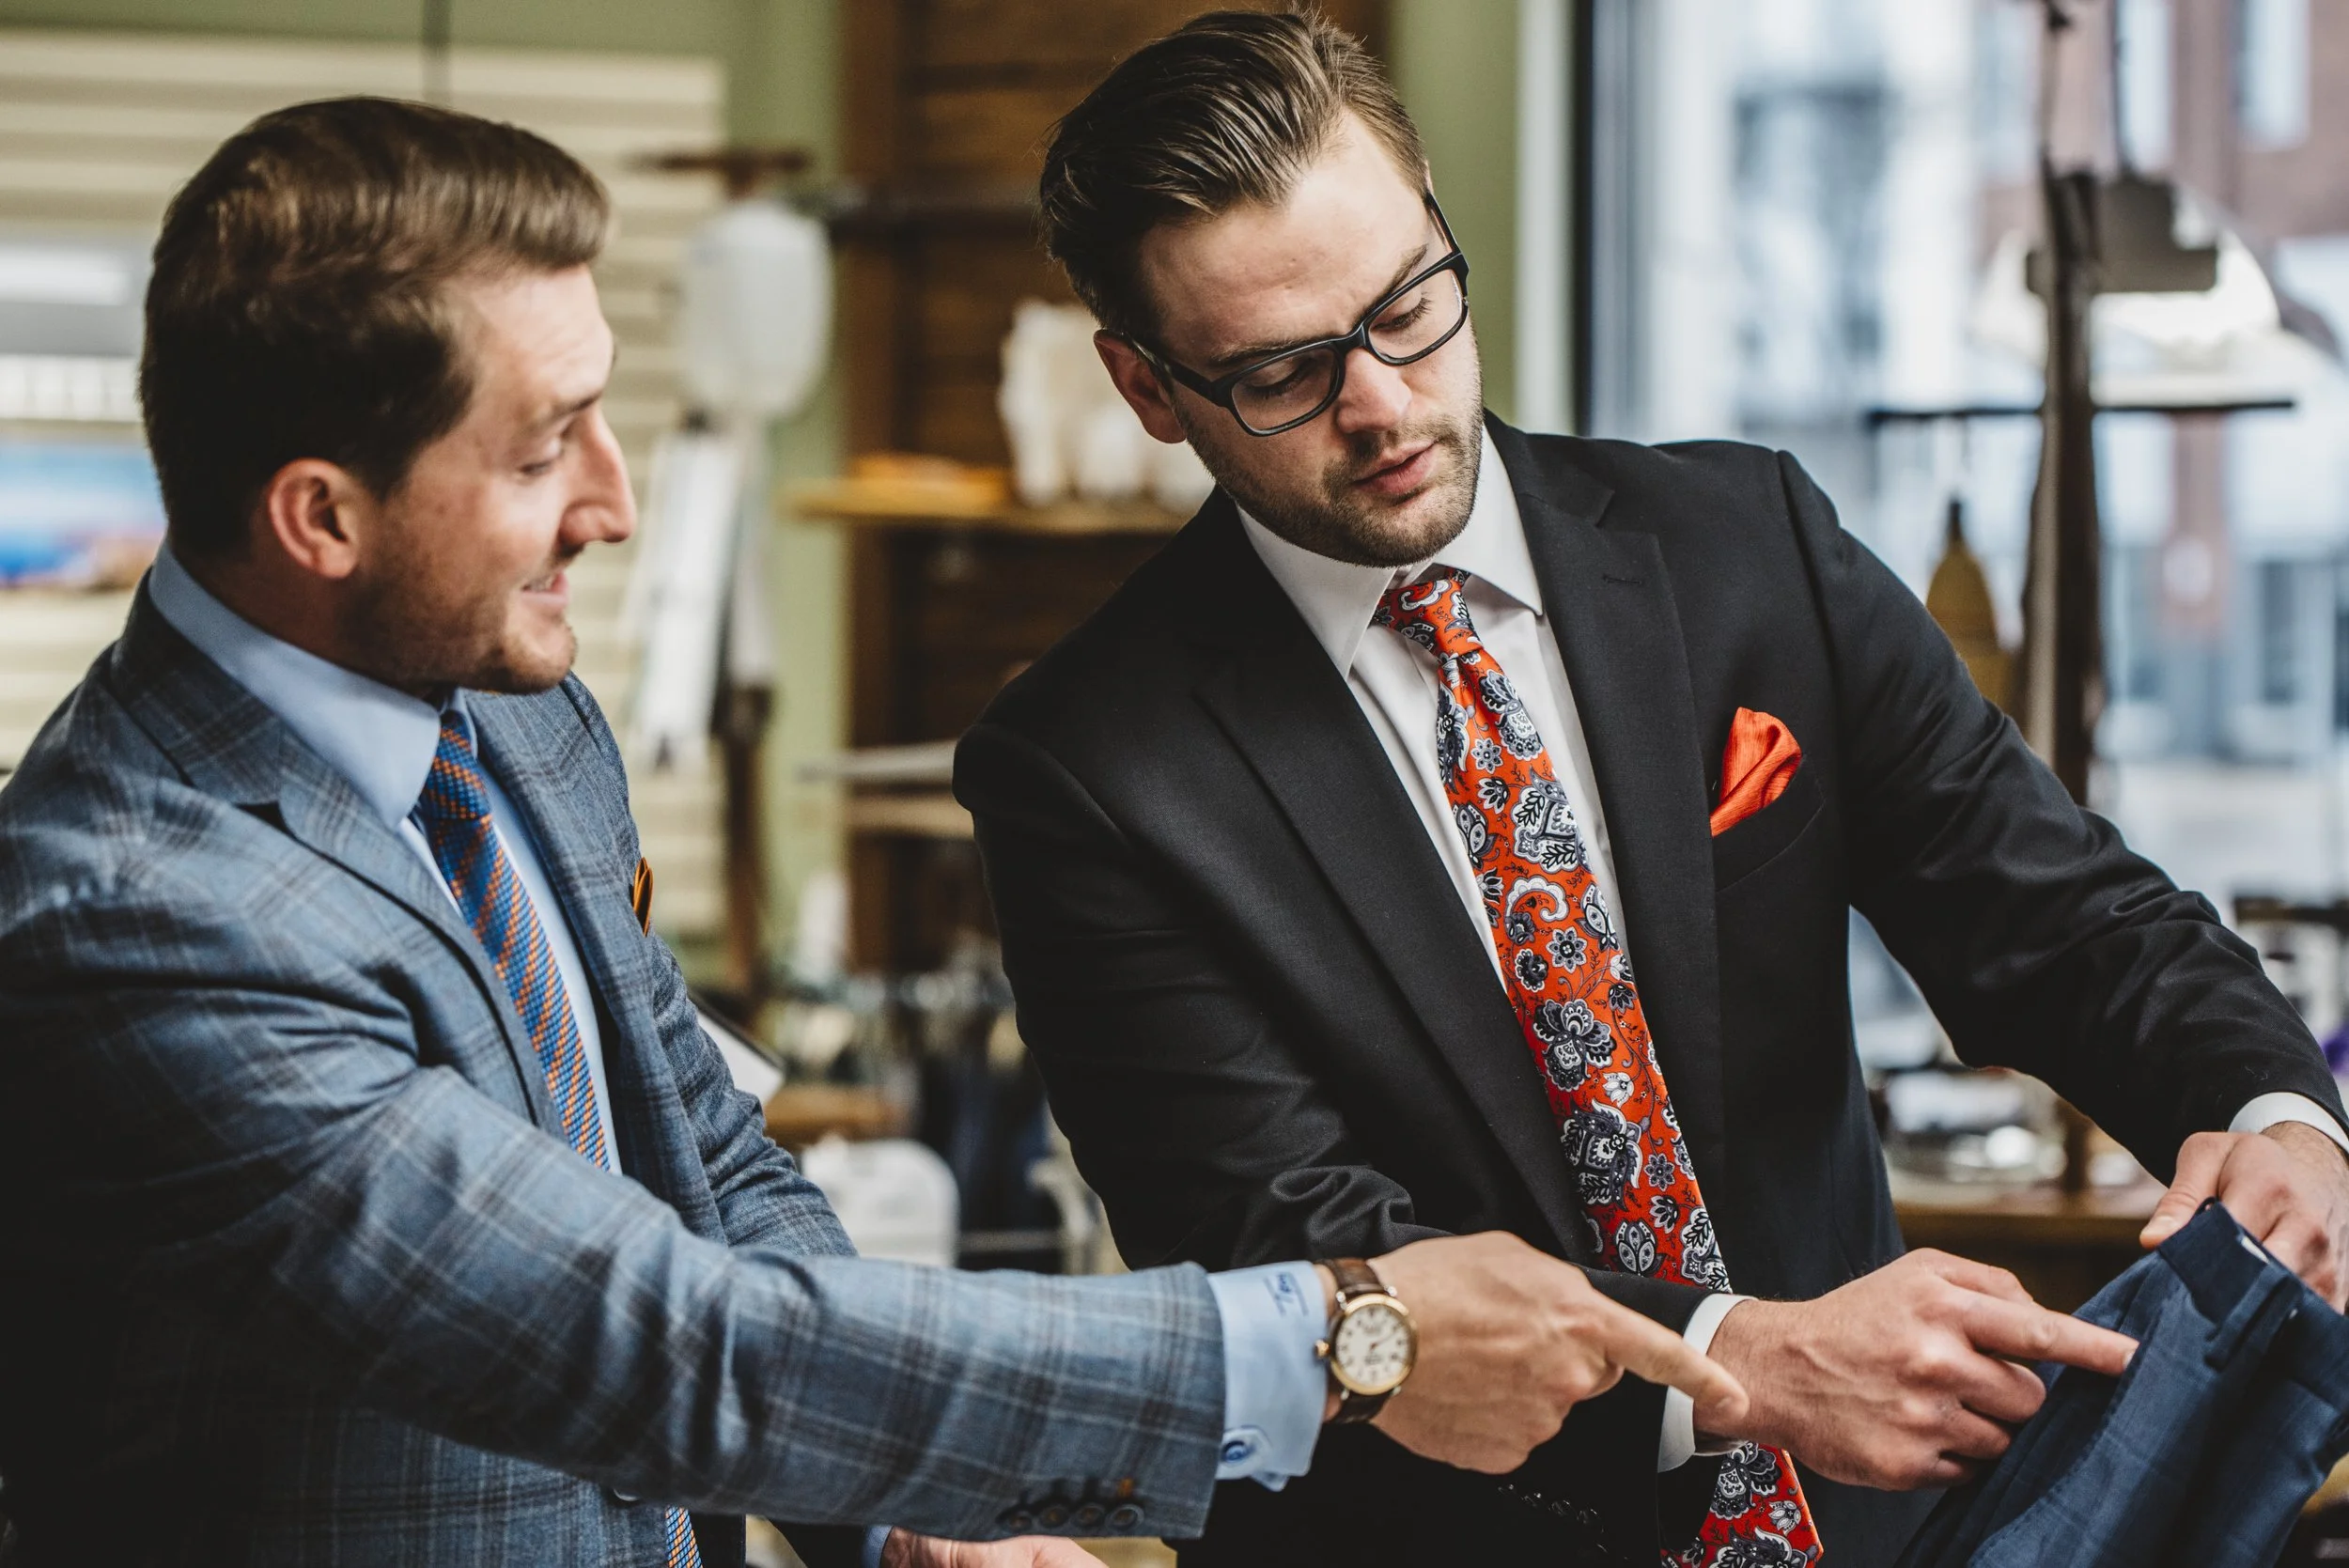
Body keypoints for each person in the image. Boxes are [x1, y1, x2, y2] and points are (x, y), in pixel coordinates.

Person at [0, 97, 1751, 1568]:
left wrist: (914, 1509)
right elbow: (655, 1344)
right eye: (545, 450)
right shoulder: (136, 918)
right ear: (321, 517)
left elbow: (707, 1160)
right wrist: (1344, 1338)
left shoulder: (514, 715)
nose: (615, 503)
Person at [954, 11, 2349, 1565]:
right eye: (1282, 373)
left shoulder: (1753, 547)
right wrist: (1737, 1363)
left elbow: (2064, 917)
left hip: (1886, 1534)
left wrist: (2275, 1112)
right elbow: (1288, 1245)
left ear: (1437, 229)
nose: (1383, 405)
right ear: (1149, 389)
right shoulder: (1083, 767)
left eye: (1409, 307)